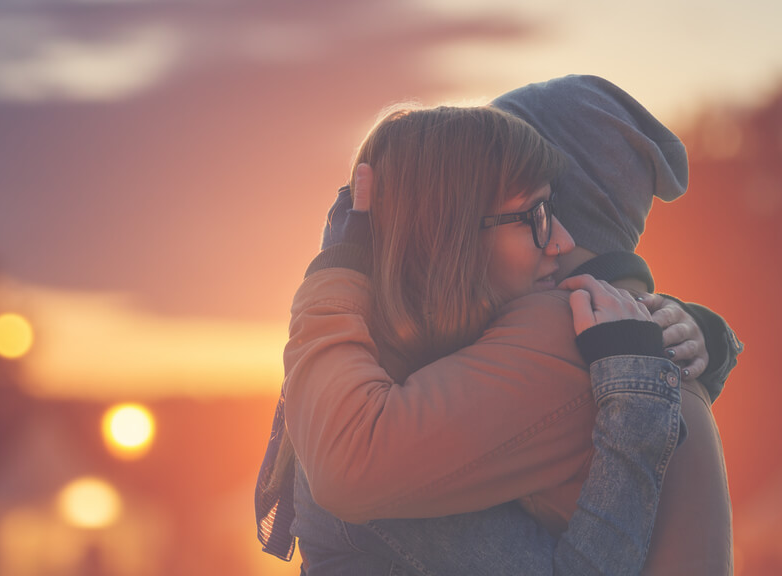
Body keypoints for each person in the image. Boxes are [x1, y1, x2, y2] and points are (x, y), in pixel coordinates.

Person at [255, 76, 741, 574]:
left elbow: (345, 462)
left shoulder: (564, 324)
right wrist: (714, 338)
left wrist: (337, 268)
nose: (556, 237)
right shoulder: (610, 323)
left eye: (543, 207)